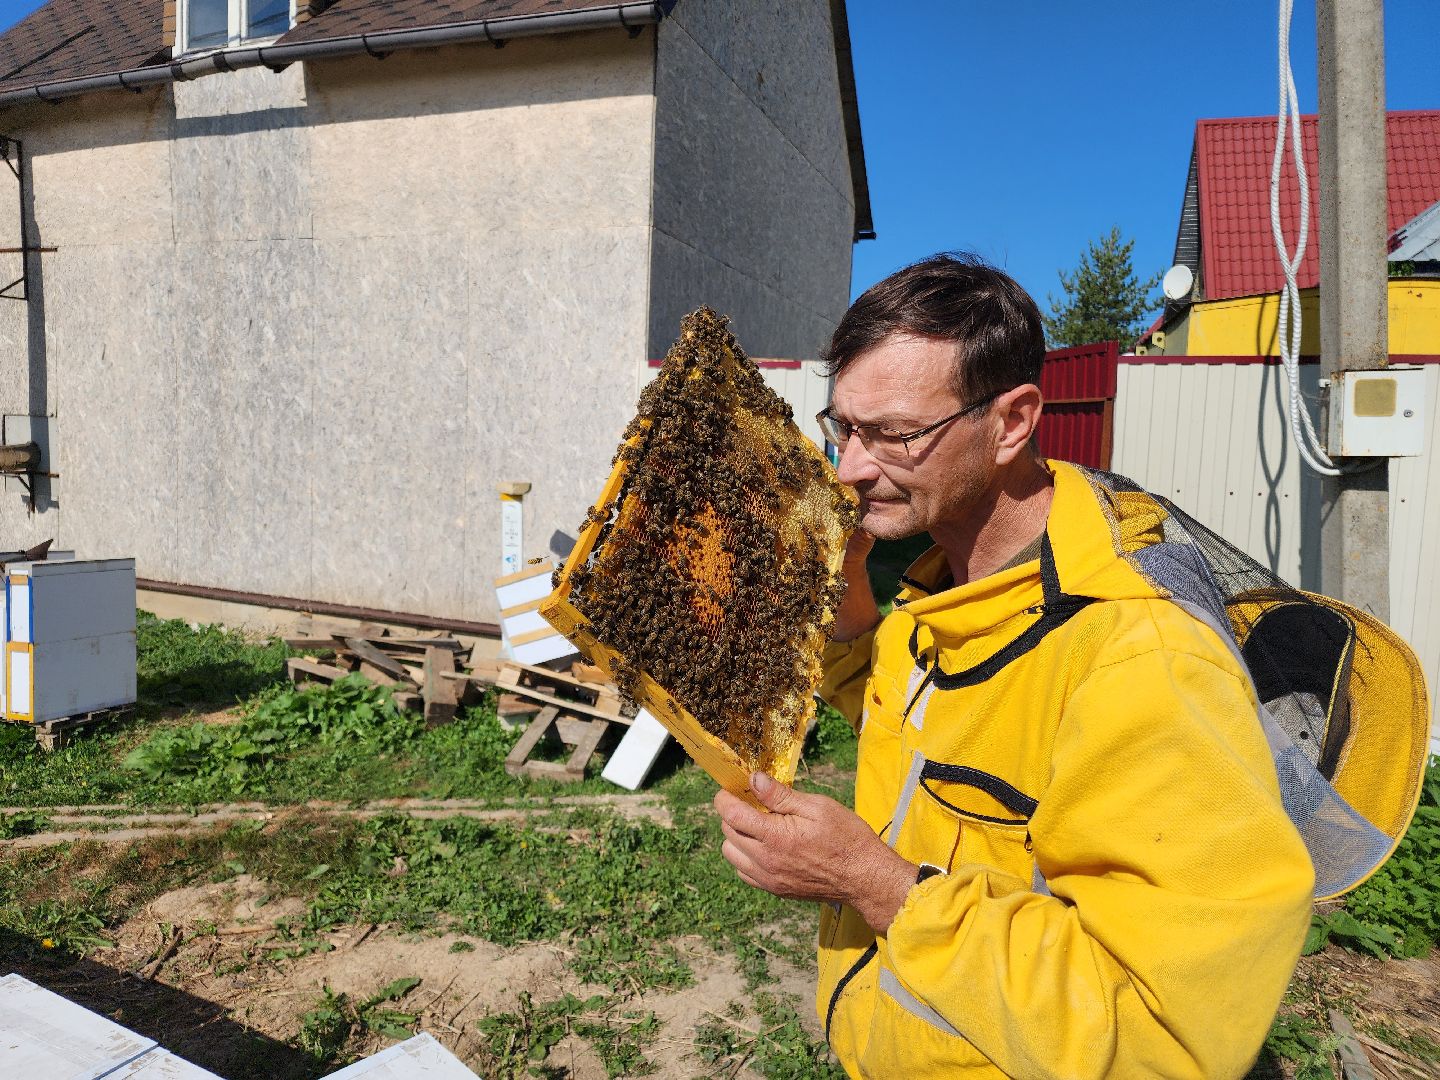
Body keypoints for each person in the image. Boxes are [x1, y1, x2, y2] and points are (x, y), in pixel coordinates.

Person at [714, 253, 1315, 1078]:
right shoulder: (958, 589)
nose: (850, 467)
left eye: (893, 434)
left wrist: (876, 884)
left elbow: (1168, 1037)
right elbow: (915, 724)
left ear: (1012, 422)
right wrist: (851, 592)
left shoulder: (1146, 659)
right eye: (843, 428)